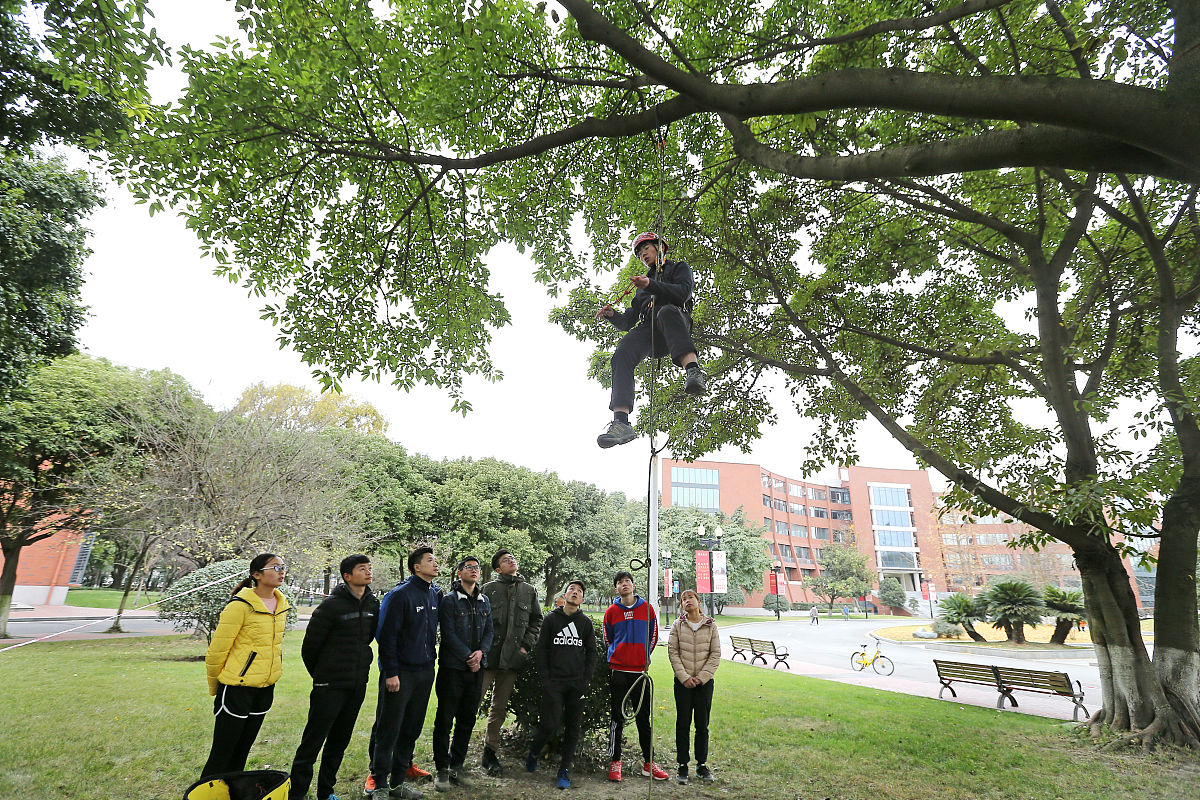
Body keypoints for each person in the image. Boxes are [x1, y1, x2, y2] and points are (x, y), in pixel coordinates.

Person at [595, 231, 707, 448]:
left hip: (674, 322)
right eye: (639, 253)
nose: (643, 255)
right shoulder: (642, 286)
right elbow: (628, 322)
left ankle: (693, 371)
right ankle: (621, 423)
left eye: (646, 248)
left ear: (660, 247)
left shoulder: (677, 268)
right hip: (650, 331)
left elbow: (683, 293)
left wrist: (651, 285)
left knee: (666, 311)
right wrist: (612, 315)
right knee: (624, 349)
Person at [289, 555, 379, 800]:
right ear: (347, 576)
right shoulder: (331, 606)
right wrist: (322, 676)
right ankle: (296, 793)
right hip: (329, 685)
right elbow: (310, 648)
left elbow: (367, 639)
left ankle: (326, 792)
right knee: (312, 742)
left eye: (369, 568)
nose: (368, 572)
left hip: (357, 683)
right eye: (362, 569)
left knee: (339, 742)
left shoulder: (373, 604)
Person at [200, 553, 291, 779]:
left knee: (242, 750)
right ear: (256, 574)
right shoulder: (240, 605)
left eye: (283, 567)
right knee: (222, 753)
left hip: (265, 688)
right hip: (235, 689)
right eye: (275, 567)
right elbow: (217, 651)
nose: (281, 571)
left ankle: (232, 791)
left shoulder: (281, 605)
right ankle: (206, 792)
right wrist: (216, 689)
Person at [369, 547, 441, 800]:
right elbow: (386, 636)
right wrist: (391, 672)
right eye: (429, 560)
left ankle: (398, 783)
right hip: (400, 673)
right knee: (389, 729)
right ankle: (378, 785)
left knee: (411, 728)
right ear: (416, 567)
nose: (435, 563)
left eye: (435, 559)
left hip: (424, 672)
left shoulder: (434, 594)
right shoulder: (400, 595)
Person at [525, 580, 598, 790]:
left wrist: (585, 679)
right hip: (554, 683)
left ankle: (564, 769)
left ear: (582, 599)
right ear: (564, 596)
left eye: (579, 591)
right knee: (550, 724)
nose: (575, 593)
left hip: (576, 684)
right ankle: (533, 752)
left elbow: (592, 653)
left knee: (573, 729)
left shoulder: (585, 623)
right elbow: (542, 650)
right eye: (571, 590)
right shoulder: (551, 620)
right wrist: (546, 679)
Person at [432, 556, 494, 792]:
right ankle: (442, 769)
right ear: (459, 573)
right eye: (469, 567)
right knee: (445, 719)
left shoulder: (484, 600)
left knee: (467, 719)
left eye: (477, 568)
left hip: (477, 669)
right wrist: (469, 656)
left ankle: (458, 765)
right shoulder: (449, 600)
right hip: (453, 669)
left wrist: (481, 653)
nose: (474, 571)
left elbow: (490, 630)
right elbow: (447, 634)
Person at [479, 548, 542, 776]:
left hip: (512, 660)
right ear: (498, 568)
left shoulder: (529, 590)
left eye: (512, 558)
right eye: (506, 560)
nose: (511, 561)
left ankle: (490, 752)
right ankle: (457, 749)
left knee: (499, 708)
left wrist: (525, 646)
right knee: (472, 702)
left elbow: (536, 620)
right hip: (488, 658)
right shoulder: (488, 589)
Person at [602, 571, 667, 782]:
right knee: (616, 719)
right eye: (620, 583)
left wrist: (643, 657)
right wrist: (618, 657)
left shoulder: (647, 609)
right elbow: (607, 638)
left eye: (627, 581)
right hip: (619, 672)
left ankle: (649, 763)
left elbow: (653, 636)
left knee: (643, 719)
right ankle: (615, 761)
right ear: (616, 589)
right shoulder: (611, 612)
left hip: (640, 674)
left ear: (634, 585)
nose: (624, 585)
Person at [667, 589, 720, 785]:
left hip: (704, 684)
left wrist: (701, 678)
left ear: (698, 601)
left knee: (702, 725)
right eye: (683, 599)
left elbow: (715, 654)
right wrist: (685, 677)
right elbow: (673, 652)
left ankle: (701, 765)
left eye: (690, 597)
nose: (687, 601)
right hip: (683, 683)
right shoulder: (678, 625)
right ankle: (682, 764)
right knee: (682, 724)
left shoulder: (711, 625)